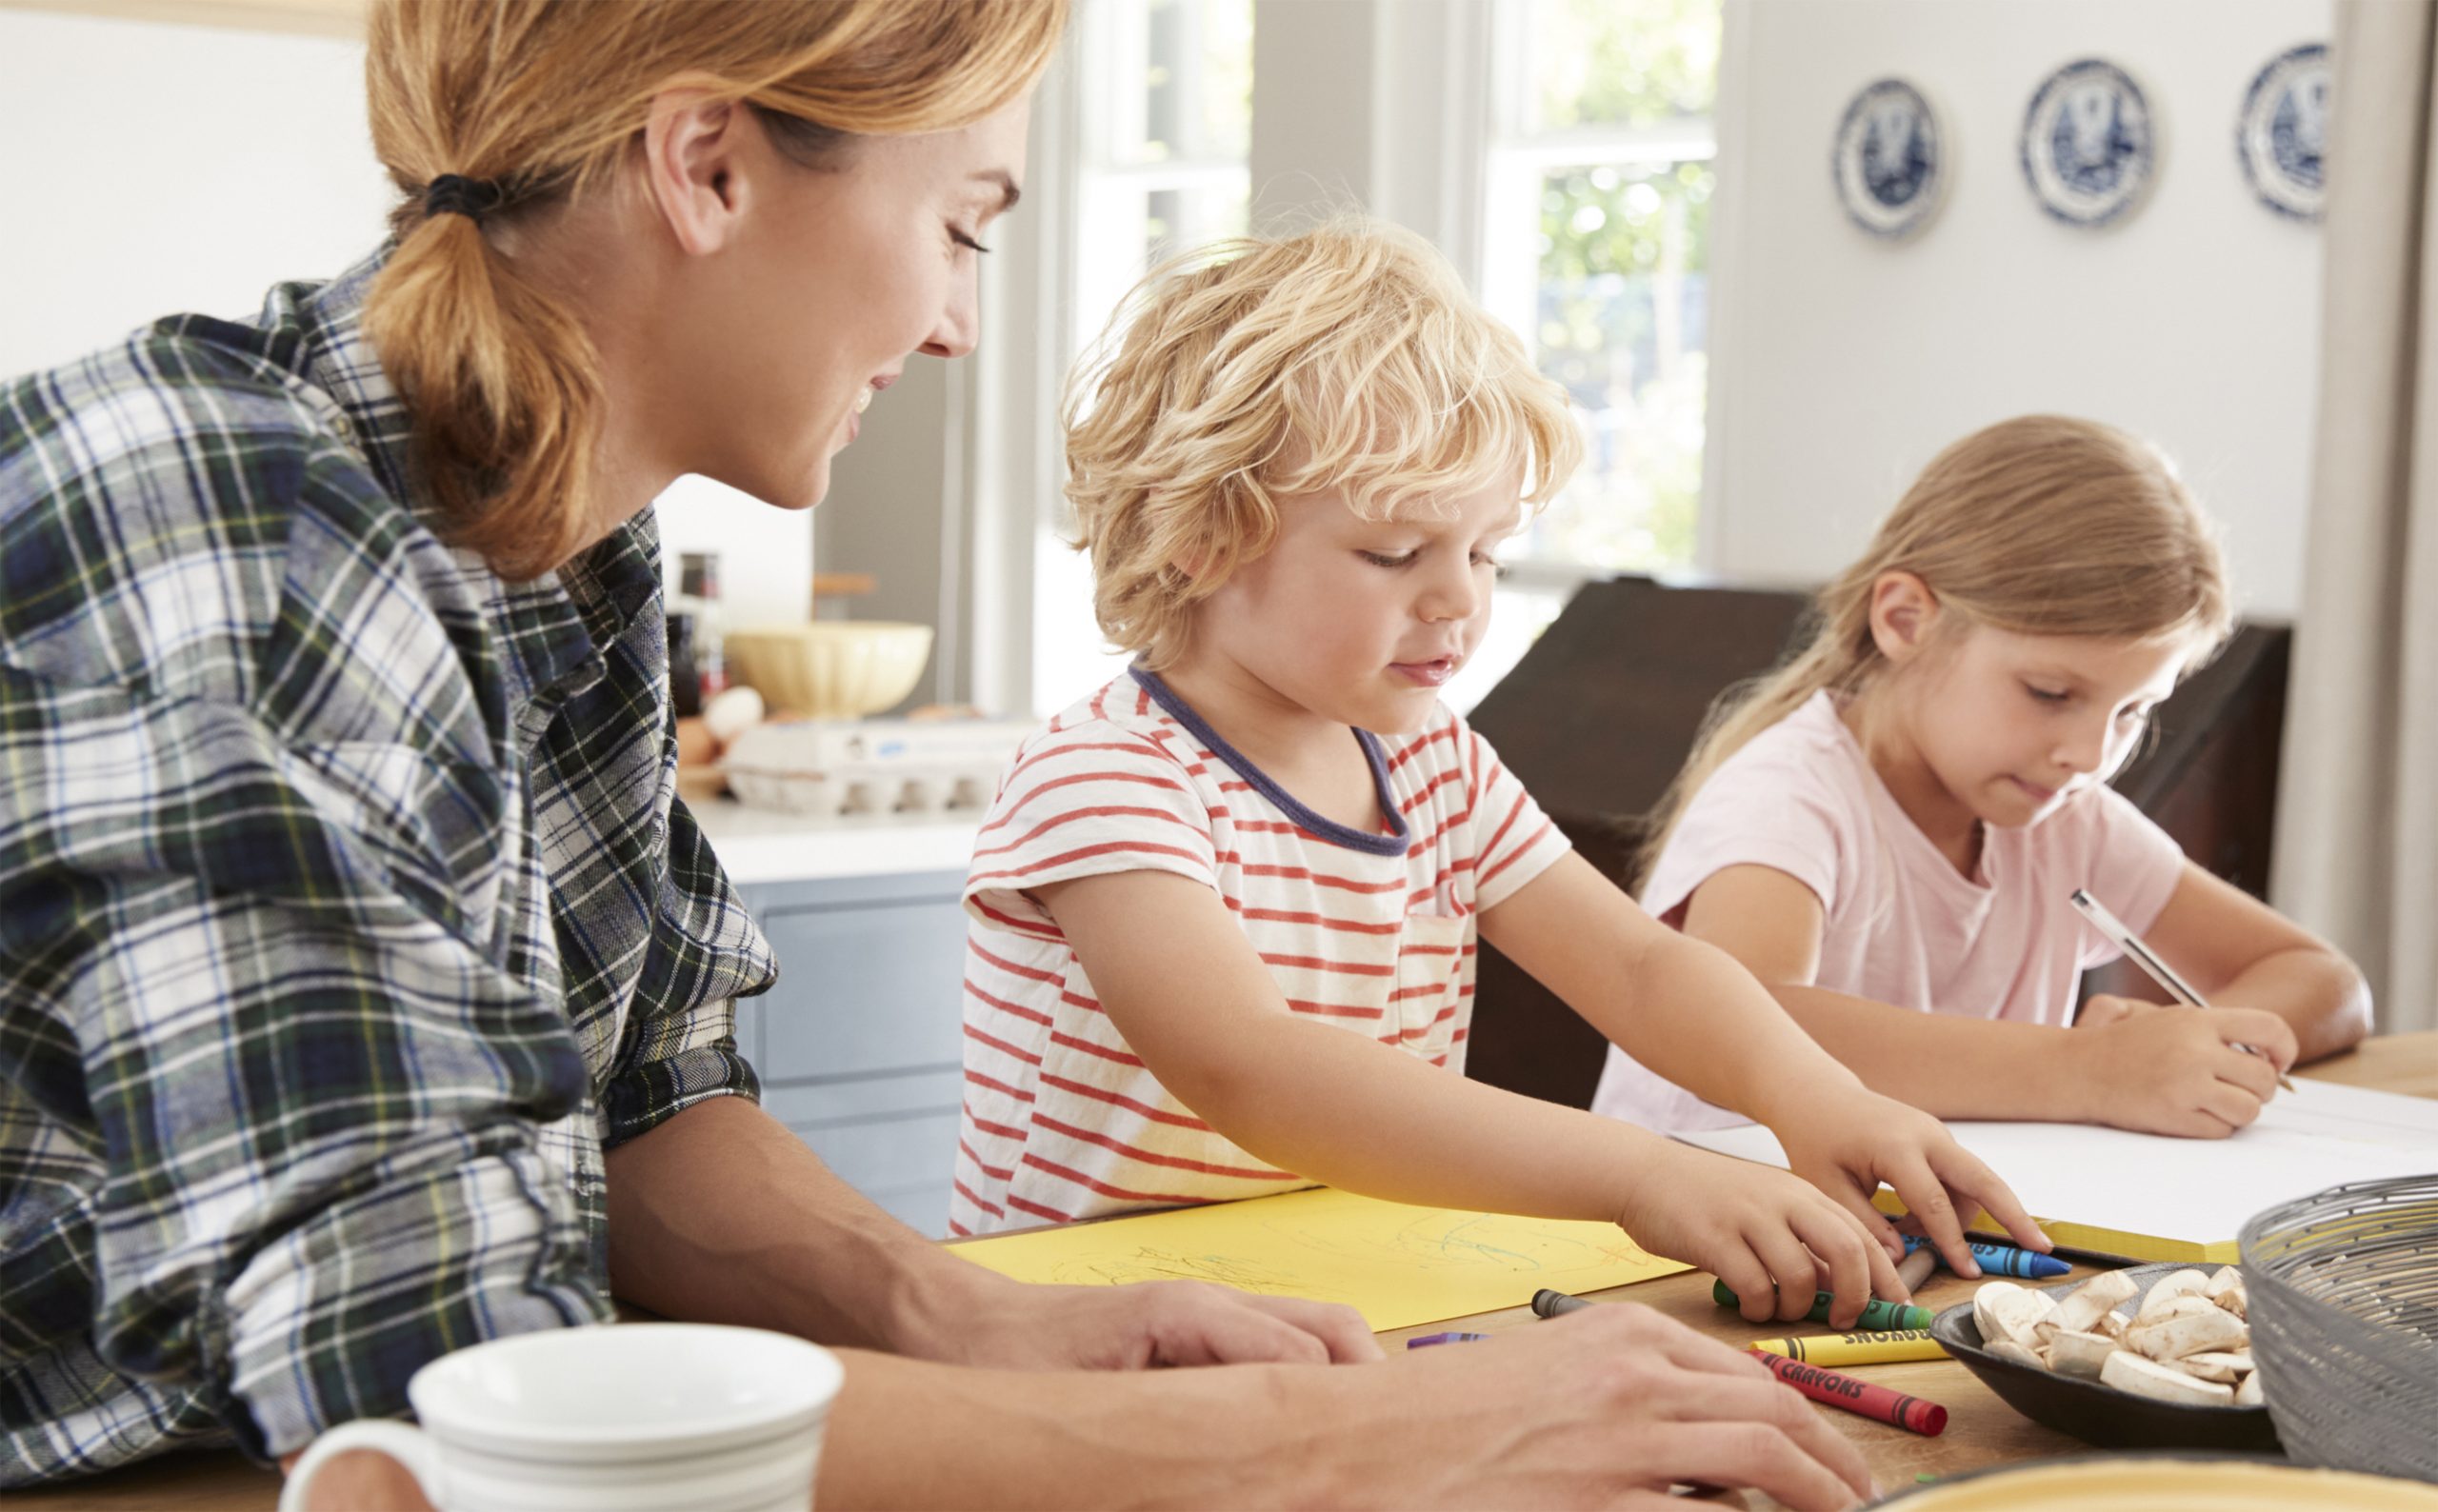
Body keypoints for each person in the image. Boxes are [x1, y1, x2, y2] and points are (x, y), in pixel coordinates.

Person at [0, 4, 1879, 1508]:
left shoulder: (564, 560)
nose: (964, 322)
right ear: (709, 163)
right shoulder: (206, 510)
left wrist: (963, 1315)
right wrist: (1343, 1449)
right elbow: (451, 1402)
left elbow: (644, 1104)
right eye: (965, 221)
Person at [949, 221, 2048, 1324]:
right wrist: (1643, 1172)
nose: (1459, 601)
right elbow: (1253, 1067)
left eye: (1484, 552)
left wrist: (1819, 1095)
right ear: (1199, 534)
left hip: (1346, 1296)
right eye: (1395, 553)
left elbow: (1640, 972)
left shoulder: (1434, 763)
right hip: (1077, 1332)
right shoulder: (1107, 777)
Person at [1592, 415, 2370, 1138]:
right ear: (1904, 620)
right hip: (1686, 1259)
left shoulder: (2064, 817)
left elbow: (2325, 983)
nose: (2090, 756)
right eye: (2051, 694)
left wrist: (2194, 1045)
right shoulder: (1787, 799)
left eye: (2133, 711)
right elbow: (1747, 1024)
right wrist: (2090, 1072)